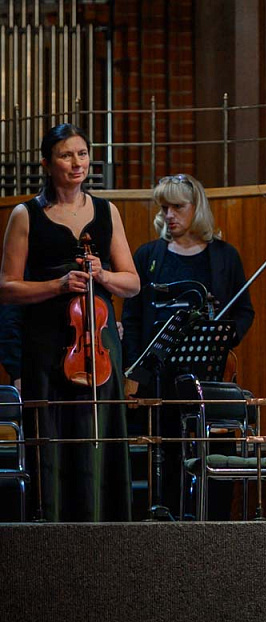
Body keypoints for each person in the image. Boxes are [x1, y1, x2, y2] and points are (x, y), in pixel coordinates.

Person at [0, 123, 140, 521]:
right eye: (66, 155)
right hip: (47, 343)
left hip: (99, 345)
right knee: (55, 437)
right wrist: (58, 285)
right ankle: (54, 533)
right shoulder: (25, 215)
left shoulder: (107, 212)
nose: (76, 163)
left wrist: (104, 276)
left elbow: (132, 283)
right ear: (47, 163)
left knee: (100, 436)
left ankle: (105, 528)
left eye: (82, 153)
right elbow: (7, 288)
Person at [121, 173, 255, 518]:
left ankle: (215, 521)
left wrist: (223, 335)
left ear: (197, 208)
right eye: (164, 207)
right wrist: (134, 372)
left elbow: (244, 311)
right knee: (167, 450)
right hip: (161, 375)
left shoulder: (225, 256)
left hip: (210, 374)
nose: (169, 215)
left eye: (177, 207)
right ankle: (166, 518)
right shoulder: (148, 255)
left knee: (213, 450)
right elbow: (133, 317)